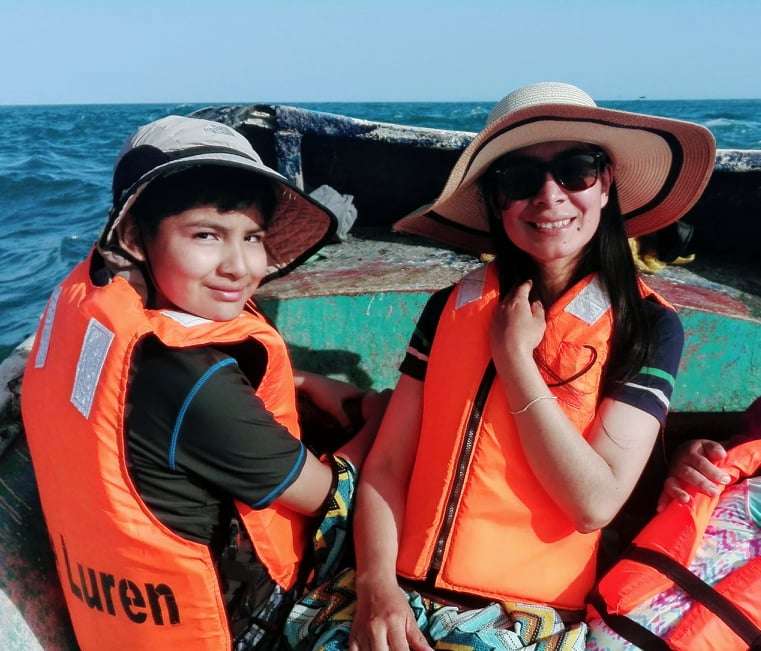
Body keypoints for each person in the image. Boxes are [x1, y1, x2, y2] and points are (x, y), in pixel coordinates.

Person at [284, 82, 716, 650]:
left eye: (575, 170)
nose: (549, 196)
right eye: (518, 181)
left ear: (606, 185)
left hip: (522, 622)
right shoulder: (449, 307)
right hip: (399, 592)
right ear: (495, 201)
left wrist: (515, 360)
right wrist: (376, 589)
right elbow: (388, 464)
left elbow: (594, 503)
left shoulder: (650, 326)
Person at [21, 116, 385, 651]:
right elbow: (328, 496)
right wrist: (381, 419)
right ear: (136, 237)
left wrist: (302, 381)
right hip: (237, 628)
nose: (239, 267)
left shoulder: (100, 308)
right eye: (206, 236)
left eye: (253, 238)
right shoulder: (192, 380)